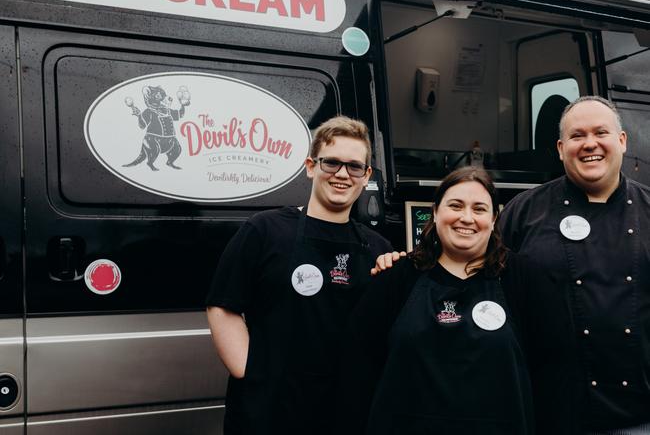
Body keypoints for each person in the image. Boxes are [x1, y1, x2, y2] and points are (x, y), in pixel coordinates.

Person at [205, 116, 392, 435]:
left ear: (366, 176)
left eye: (354, 166)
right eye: (331, 163)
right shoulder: (265, 230)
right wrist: (250, 372)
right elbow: (223, 306)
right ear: (310, 166)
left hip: (343, 412)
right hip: (270, 412)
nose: (343, 174)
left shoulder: (378, 249)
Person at [339, 167, 534, 435]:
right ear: (435, 212)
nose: (467, 218)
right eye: (455, 205)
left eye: (479, 209)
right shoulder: (395, 278)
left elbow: (553, 374)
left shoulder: (525, 280)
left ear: (494, 219)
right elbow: (357, 372)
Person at [499, 95, 650, 434]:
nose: (590, 144)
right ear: (560, 147)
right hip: (547, 414)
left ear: (622, 141)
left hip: (640, 416)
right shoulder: (523, 212)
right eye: (577, 136)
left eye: (601, 133)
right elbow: (479, 279)